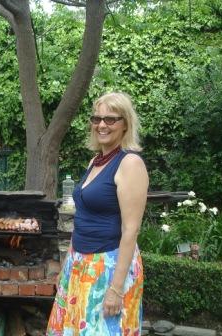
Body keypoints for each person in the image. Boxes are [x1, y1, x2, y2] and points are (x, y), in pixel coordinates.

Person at [47, 92, 148, 335]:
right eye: (97, 119)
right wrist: (66, 265)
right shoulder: (95, 161)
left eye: (111, 119)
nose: (102, 125)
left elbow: (131, 229)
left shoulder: (130, 164)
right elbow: (83, 217)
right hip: (80, 264)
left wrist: (116, 288)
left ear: (125, 124)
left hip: (108, 268)